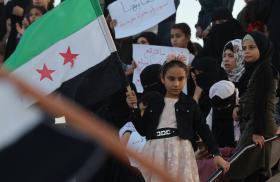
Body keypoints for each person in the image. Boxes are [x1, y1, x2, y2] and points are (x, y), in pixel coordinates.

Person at [126, 59, 230, 182]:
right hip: (155, 153)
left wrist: (216, 154)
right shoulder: (150, 102)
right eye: (171, 79)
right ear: (162, 79)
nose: (176, 84)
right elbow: (143, 131)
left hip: (182, 153)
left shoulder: (189, 103)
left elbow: (203, 128)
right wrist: (134, 110)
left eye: (181, 79)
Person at [228, 31, 279, 181]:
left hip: (259, 126)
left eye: (252, 47)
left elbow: (261, 102)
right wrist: (239, 107)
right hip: (253, 123)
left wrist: (258, 131)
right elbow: (248, 96)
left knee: (238, 168)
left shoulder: (265, 69)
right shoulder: (253, 70)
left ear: (262, 48)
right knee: (252, 172)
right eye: (244, 48)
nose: (247, 51)